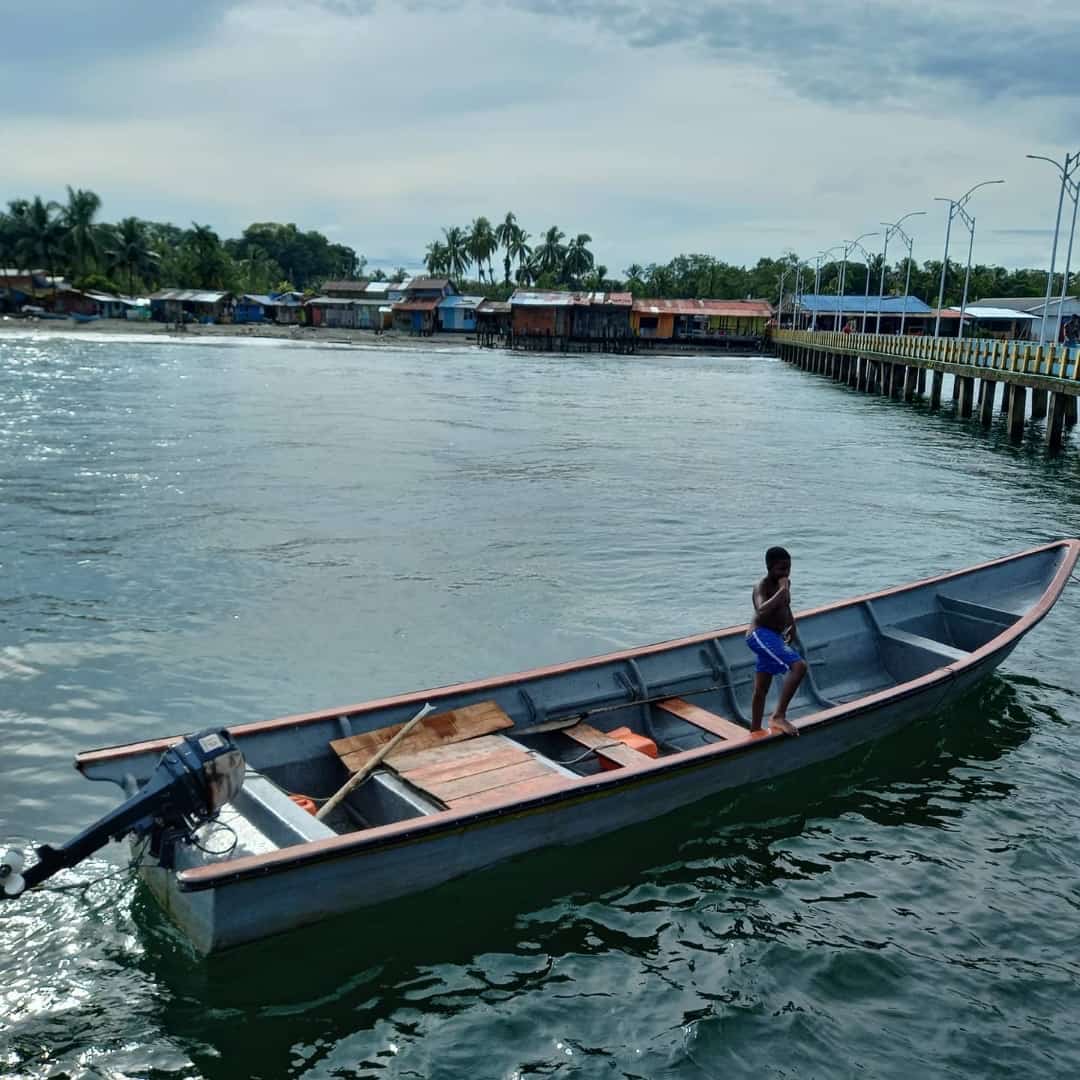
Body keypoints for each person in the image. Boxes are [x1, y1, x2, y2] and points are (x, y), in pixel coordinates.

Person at [745, 546, 807, 737]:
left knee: (762, 687)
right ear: (769, 568)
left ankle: (755, 730)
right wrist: (782, 590)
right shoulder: (762, 586)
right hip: (759, 635)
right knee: (799, 666)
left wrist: (792, 627)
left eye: (788, 568)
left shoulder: (786, 584)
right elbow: (761, 610)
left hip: (775, 636)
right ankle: (778, 716)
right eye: (781, 569)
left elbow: (786, 607)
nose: (786, 573)